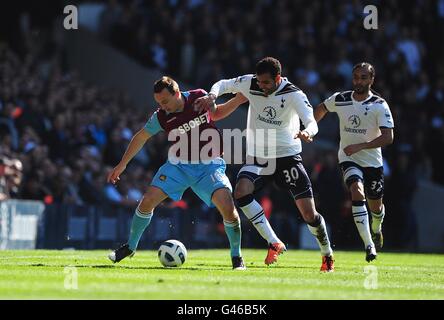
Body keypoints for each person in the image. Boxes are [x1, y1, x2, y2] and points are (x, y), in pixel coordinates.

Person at [195, 57, 334, 271]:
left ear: (278, 78)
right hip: (259, 156)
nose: (261, 86)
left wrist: (308, 132)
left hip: (287, 157)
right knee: (241, 192)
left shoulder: (293, 94)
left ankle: (327, 254)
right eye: (259, 82)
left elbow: (311, 120)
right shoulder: (251, 82)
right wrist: (212, 94)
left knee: (309, 214)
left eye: (266, 83)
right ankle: (274, 242)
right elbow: (223, 84)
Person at [107, 76, 245, 270]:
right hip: (178, 166)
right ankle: (130, 247)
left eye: (165, 101)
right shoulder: (161, 117)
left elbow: (217, 113)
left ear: (177, 92)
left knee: (228, 209)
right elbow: (141, 136)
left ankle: (236, 257)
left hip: (210, 165)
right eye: (159, 103)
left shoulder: (199, 97)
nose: (163, 107)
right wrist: (122, 165)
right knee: (147, 200)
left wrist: (238, 100)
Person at [314, 62, 394, 262]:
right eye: (356, 77)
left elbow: (388, 137)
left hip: (372, 162)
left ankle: (376, 227)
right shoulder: (340, 99)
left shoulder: (379, 104)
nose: (358, 81)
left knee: (376, 207)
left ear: (371, 80)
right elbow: (322, 108)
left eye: (363, 77)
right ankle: (369, 245)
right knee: (356, 191)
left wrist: (361, 146)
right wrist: (309, 128)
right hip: (348, 158)